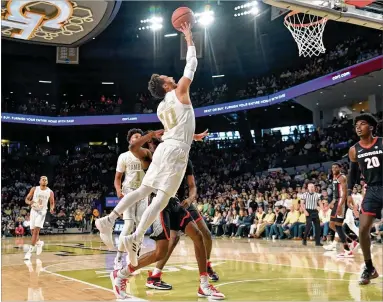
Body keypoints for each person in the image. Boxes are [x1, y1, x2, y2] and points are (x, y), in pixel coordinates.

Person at [96, 23, 198, 268]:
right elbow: (192, 65)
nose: (171, 77)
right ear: (165, 85)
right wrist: (189, 38)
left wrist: (192, 136)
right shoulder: (180, 91)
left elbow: (175, 129)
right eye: (167, 77)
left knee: (143, 191)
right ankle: (135, 237)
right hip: (175, 151)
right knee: (162, 198)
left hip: (164, 148)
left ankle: (109, 219)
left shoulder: (162, 107)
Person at [110, 132, 224, 300]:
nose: (157, 145)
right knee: (160, 253)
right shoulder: (149, 156)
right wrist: (149, 135)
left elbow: (177, 136)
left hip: (174, 202)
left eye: (159, 142)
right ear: (150, 145)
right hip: (158, 204)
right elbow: (133, 147)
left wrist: (192, 136)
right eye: (154, 143)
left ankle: (204, 285)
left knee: (199, 236)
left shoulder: (173, 153)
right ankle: (121, 274)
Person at [348, 113, 382, 285]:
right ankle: (369, 267)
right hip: (372, 190)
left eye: (362, 124)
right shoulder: (354, 150)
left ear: (371, 127)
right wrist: (348, 192)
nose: (358, 127)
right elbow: (352, 173)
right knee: (362, 229)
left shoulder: (382, 142)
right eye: (356, 126)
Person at [113, 128, 148, 270]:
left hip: (143, 191)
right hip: (129, 192)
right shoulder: (124, 156)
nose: (138, 138)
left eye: (140, 136)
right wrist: (118, 190)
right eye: (135, 137)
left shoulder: (146, 154)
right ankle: (119, 258)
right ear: (130, 141)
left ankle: (134, 255)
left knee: (141, 227)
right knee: (128, 225)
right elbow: (117, 178)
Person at [324, 163, 356, 257]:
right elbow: (335, 194)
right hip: (337, 202)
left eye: (336, 167)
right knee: (331, 224)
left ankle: (347, 250)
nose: (334, 168)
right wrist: (331, 203)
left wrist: (340, 206)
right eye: (333, 167)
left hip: (341, 203)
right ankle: (351, 241)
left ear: (340, 168)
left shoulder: (342, 177)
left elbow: (345, 193)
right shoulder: (334, 178)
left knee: (338, 226)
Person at [24, 176, 55, 260]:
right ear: (39, 181)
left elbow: (52, 203)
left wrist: (52, 209)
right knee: (32, 231)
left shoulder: (50, 192)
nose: (44, 181)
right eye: (43, 179)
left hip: (42, 212)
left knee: (36, 231)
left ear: (47, 182)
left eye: (46, 180)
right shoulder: (35, 189)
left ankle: (29, 252)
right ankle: (39, 243)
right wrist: (30, 202)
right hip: (33, 211)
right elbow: (26, 199)